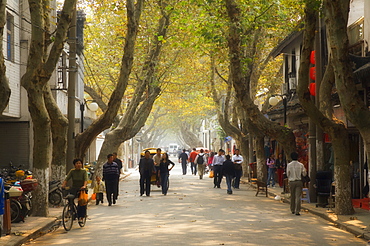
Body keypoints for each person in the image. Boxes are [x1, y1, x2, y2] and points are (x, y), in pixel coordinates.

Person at [62, 158, 88, 222]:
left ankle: (81, 217)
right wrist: (63, 185)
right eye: (77, 163)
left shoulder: (84, 171)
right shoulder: (72, 171)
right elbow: (67, 179)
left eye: (80, 163)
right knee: (70, 198)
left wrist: (84, 186)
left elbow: (85, 180)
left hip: (82, 189)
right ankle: (72, 211)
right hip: (74, 188)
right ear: (74, 165)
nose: (78, 164)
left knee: (82, 202)